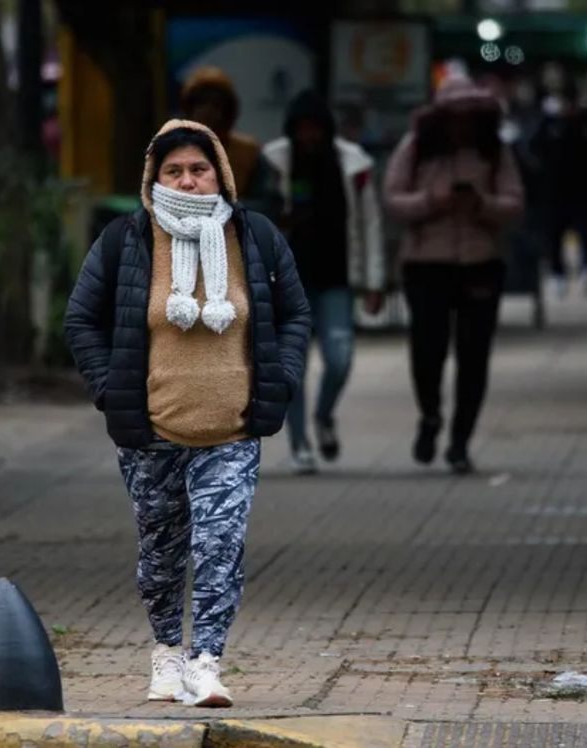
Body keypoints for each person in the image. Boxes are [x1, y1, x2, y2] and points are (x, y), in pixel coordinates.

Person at [64, 120, 310, 707]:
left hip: (232, 430)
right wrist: (110, 389)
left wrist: (282, 378)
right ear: (154, 177)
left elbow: (296, 314)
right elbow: (81, 320)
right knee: (160, 554)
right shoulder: (128, 240)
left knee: (220, 543)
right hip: (151, 433)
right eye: (174, 170)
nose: (188, 180)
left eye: (199, 169)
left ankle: (206, 661)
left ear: (220, 173)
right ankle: (168, 652)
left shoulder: (255, 237)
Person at [383, 73, 523, 474]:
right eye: (455, 116)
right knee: (428, 349)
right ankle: (430, 416)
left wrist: (482, 205)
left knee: (474, 355)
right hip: (426, 263)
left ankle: (461, 440)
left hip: (481, 262)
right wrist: (432, 201)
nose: (462, 124)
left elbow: (515, 202)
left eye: (470, 116)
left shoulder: (495, 151)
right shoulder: (415, 148)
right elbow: (392, 198)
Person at [262, 90, 385, 474]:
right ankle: (300, 445)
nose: (308, 136)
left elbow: (370, 224)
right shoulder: (275, 161)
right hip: (287, 281)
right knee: (291, 367)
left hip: (336, 277)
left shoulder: (353, 164)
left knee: (340, 357)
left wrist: (374, 281)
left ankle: (324, 415)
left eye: (315, 128)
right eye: (302, 129)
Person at [533, 87, 587, 296]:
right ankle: (558, 273)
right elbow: (536, 149)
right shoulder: (548, 124)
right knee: (554, 234)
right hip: (554, 191)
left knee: (586, 231)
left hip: (582, 190)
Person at [180, 66, 281, 218]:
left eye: (215, 104)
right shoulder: (171, 149)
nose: (208, 110)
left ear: (228, 110)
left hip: (238, 233)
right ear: (189, 108)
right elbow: (151, 201)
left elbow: (270, 202)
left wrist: (225, 208)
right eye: (201, 103)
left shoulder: (248, 151)